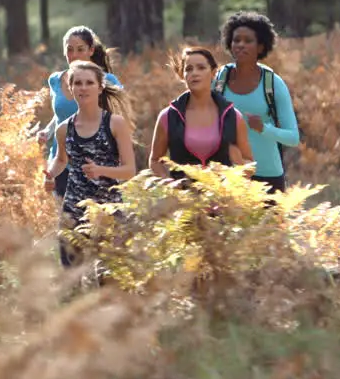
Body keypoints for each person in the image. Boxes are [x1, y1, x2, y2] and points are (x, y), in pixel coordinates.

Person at [43, 60, 137, 271]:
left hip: (109, 210)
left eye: (88, 83)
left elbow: (130, 170)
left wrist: (101, 170)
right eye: (77, 83)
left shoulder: (115, 123)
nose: (83, 88)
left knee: (109, 280)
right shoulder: (63, 129)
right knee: (72, 279)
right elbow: (61, 160)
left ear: (100, 87)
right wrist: (49, 175)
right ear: (70, 87)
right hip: (73, 212)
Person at [211, 11, 300, 193]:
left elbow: (293, 137)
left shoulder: (273, 84)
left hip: (267, 176)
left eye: (248, 41)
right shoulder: (219, 80)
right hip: (228, 175)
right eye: (236, 40)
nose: (240, 45)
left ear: (260, 47)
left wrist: (264, 129)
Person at [36, 26, 123, 201]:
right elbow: (60, 114)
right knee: (67, 222)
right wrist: (48, 131)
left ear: (91, 50)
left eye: (80, 49)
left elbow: (120, 117)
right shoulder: (55, 80)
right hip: (61, 160)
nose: (74, 55)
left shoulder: (107, 81)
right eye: (69, 49)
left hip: (95, 161)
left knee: (97, 221)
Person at [149, 47, 253, 181]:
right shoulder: (168, 116)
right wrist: (168, 184)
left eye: (201, 68)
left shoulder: (232, 116)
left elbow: (249, 162)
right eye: (188, 69)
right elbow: (155, 160)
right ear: (182, 75)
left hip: (223, 199)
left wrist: (235, 178)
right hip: (182, 199)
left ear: (213, 73)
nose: (194, 73)